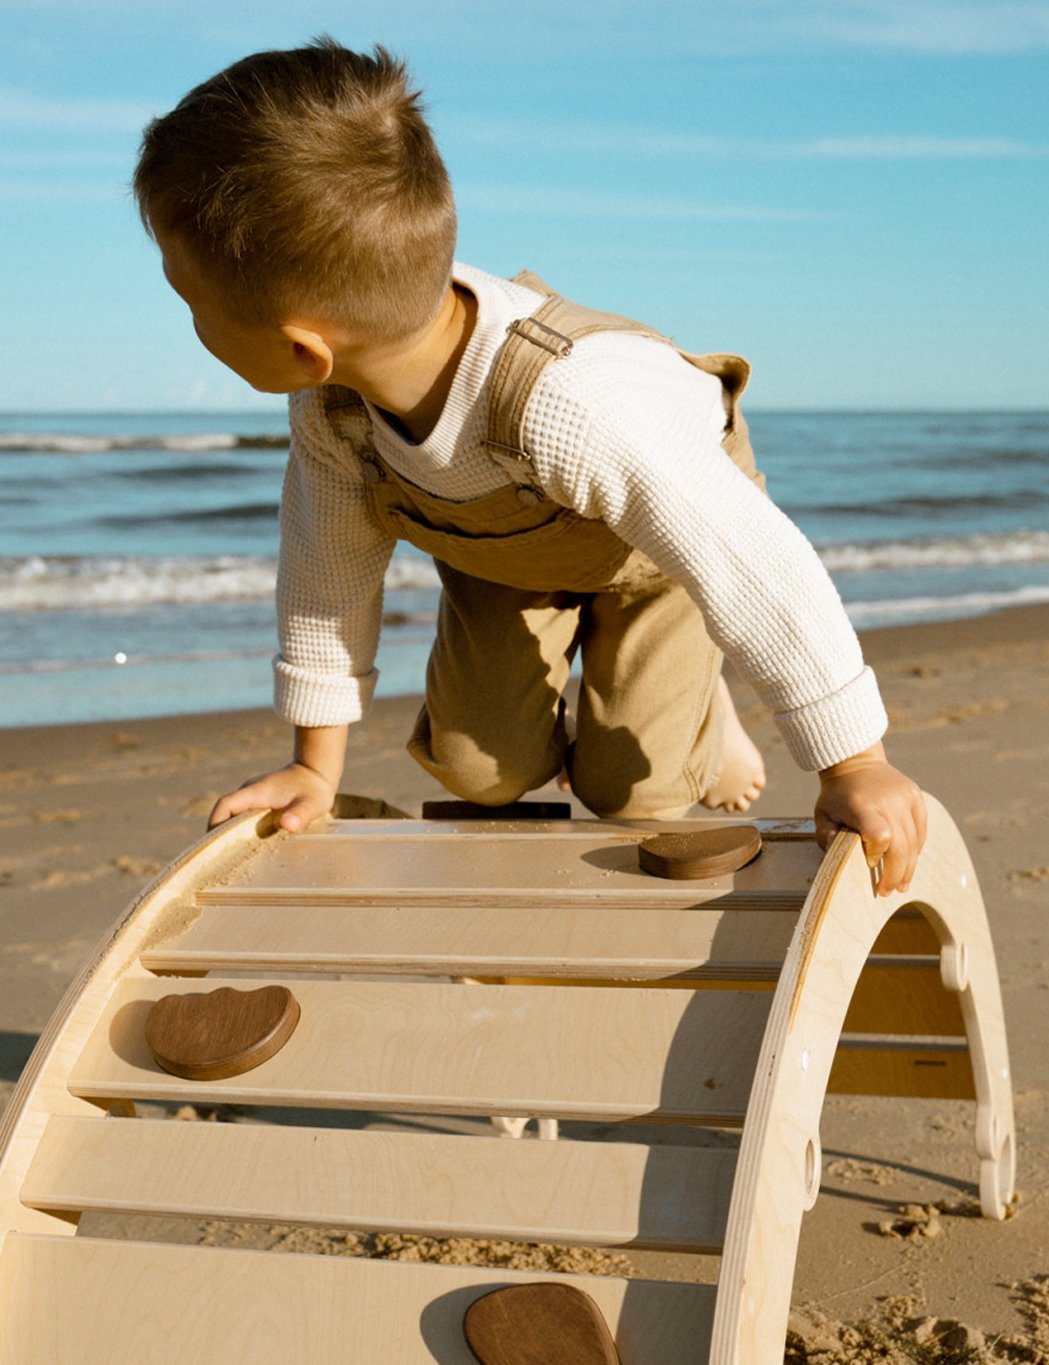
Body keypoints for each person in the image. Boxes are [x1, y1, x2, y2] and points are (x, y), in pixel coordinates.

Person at [133, 38, 926, 894]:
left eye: (191, 303)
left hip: (661, 553)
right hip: (507, 551)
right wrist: (313, 769)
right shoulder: (334, 411)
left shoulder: (577, 405)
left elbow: (754, 568)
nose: (190, 322)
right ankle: (621, 692)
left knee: (635, 795)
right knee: (479, 773)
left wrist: (854, 764)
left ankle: (703, 707)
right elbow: (326, 575)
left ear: (302, 348)